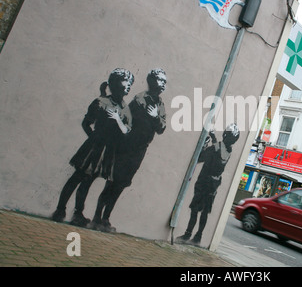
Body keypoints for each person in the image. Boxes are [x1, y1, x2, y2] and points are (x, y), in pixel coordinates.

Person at [51, 68, 134, 227]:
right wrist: (95, 139)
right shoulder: (101, 102)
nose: (129, 85)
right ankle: (60, 209)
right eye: (126, 81)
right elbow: (86, 123)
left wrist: (117, 120)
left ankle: (77, 213)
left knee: (87, 181)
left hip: (107, 151)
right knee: (77, 178)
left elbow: (126, 131)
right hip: (94, 147)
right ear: (115, 83)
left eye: (131, 82)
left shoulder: (124, 108)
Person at [89, 68, 167, 232]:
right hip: (126, 147)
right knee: (112, 182)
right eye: (161, 80)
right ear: (152, 81)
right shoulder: (140, 99)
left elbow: (162, 128)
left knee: (121, 184)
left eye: (165, 81)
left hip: (139, 151)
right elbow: (127, 119)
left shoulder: (160, 105)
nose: (163, 84)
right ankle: (97, 216)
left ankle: (106, 218)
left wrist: (155, 117)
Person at [177, 123, 240, 245]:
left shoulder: (219, 149)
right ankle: (197, 236)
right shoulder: (227, 150)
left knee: (195, 209)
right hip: (214, 184)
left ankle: (188, 234)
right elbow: (218, 151)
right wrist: (212, 139)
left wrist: (208, 140)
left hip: (204, 181)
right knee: (204, 211)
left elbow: (201, 157)